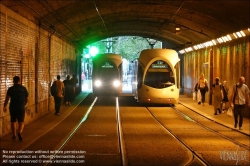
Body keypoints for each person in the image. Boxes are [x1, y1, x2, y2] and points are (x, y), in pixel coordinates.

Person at [3, 76, 28, 141]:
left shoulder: (10, 89)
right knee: (21, 121)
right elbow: (26, 99)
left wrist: (4, 106)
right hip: (21, 107)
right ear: (19, 81)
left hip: (13, 107)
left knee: (13, 121)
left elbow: (7, 98)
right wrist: (23, 104)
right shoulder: (23, 88)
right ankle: (19, 132)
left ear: (13, 81)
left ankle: (14, 135)